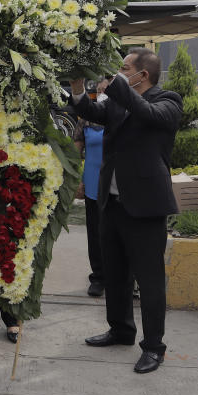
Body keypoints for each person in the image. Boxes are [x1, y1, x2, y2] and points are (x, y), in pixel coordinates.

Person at [70, 48, 182, 374]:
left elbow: (147, 114)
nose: (120, 73)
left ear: (142, 75)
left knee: (149, 282)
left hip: (146, 208)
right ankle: (120, 330)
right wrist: (78, 88)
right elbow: (91, 109)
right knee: (115, 275)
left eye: (124, 68)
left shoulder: (168, 100)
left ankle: (154, 347)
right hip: (113, 204)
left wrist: (113, 83)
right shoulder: (118, 102)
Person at [73, 77, 111, 297]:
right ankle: (98, 277)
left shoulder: (124, 112)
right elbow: (76, 149)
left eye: (107, 85)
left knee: (117, 233)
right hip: (93, 184)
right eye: (100, 85)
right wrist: (77, 179)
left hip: (118, 186)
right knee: (95, 233)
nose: (103, 88)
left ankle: (120, 276)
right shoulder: (87, 118)